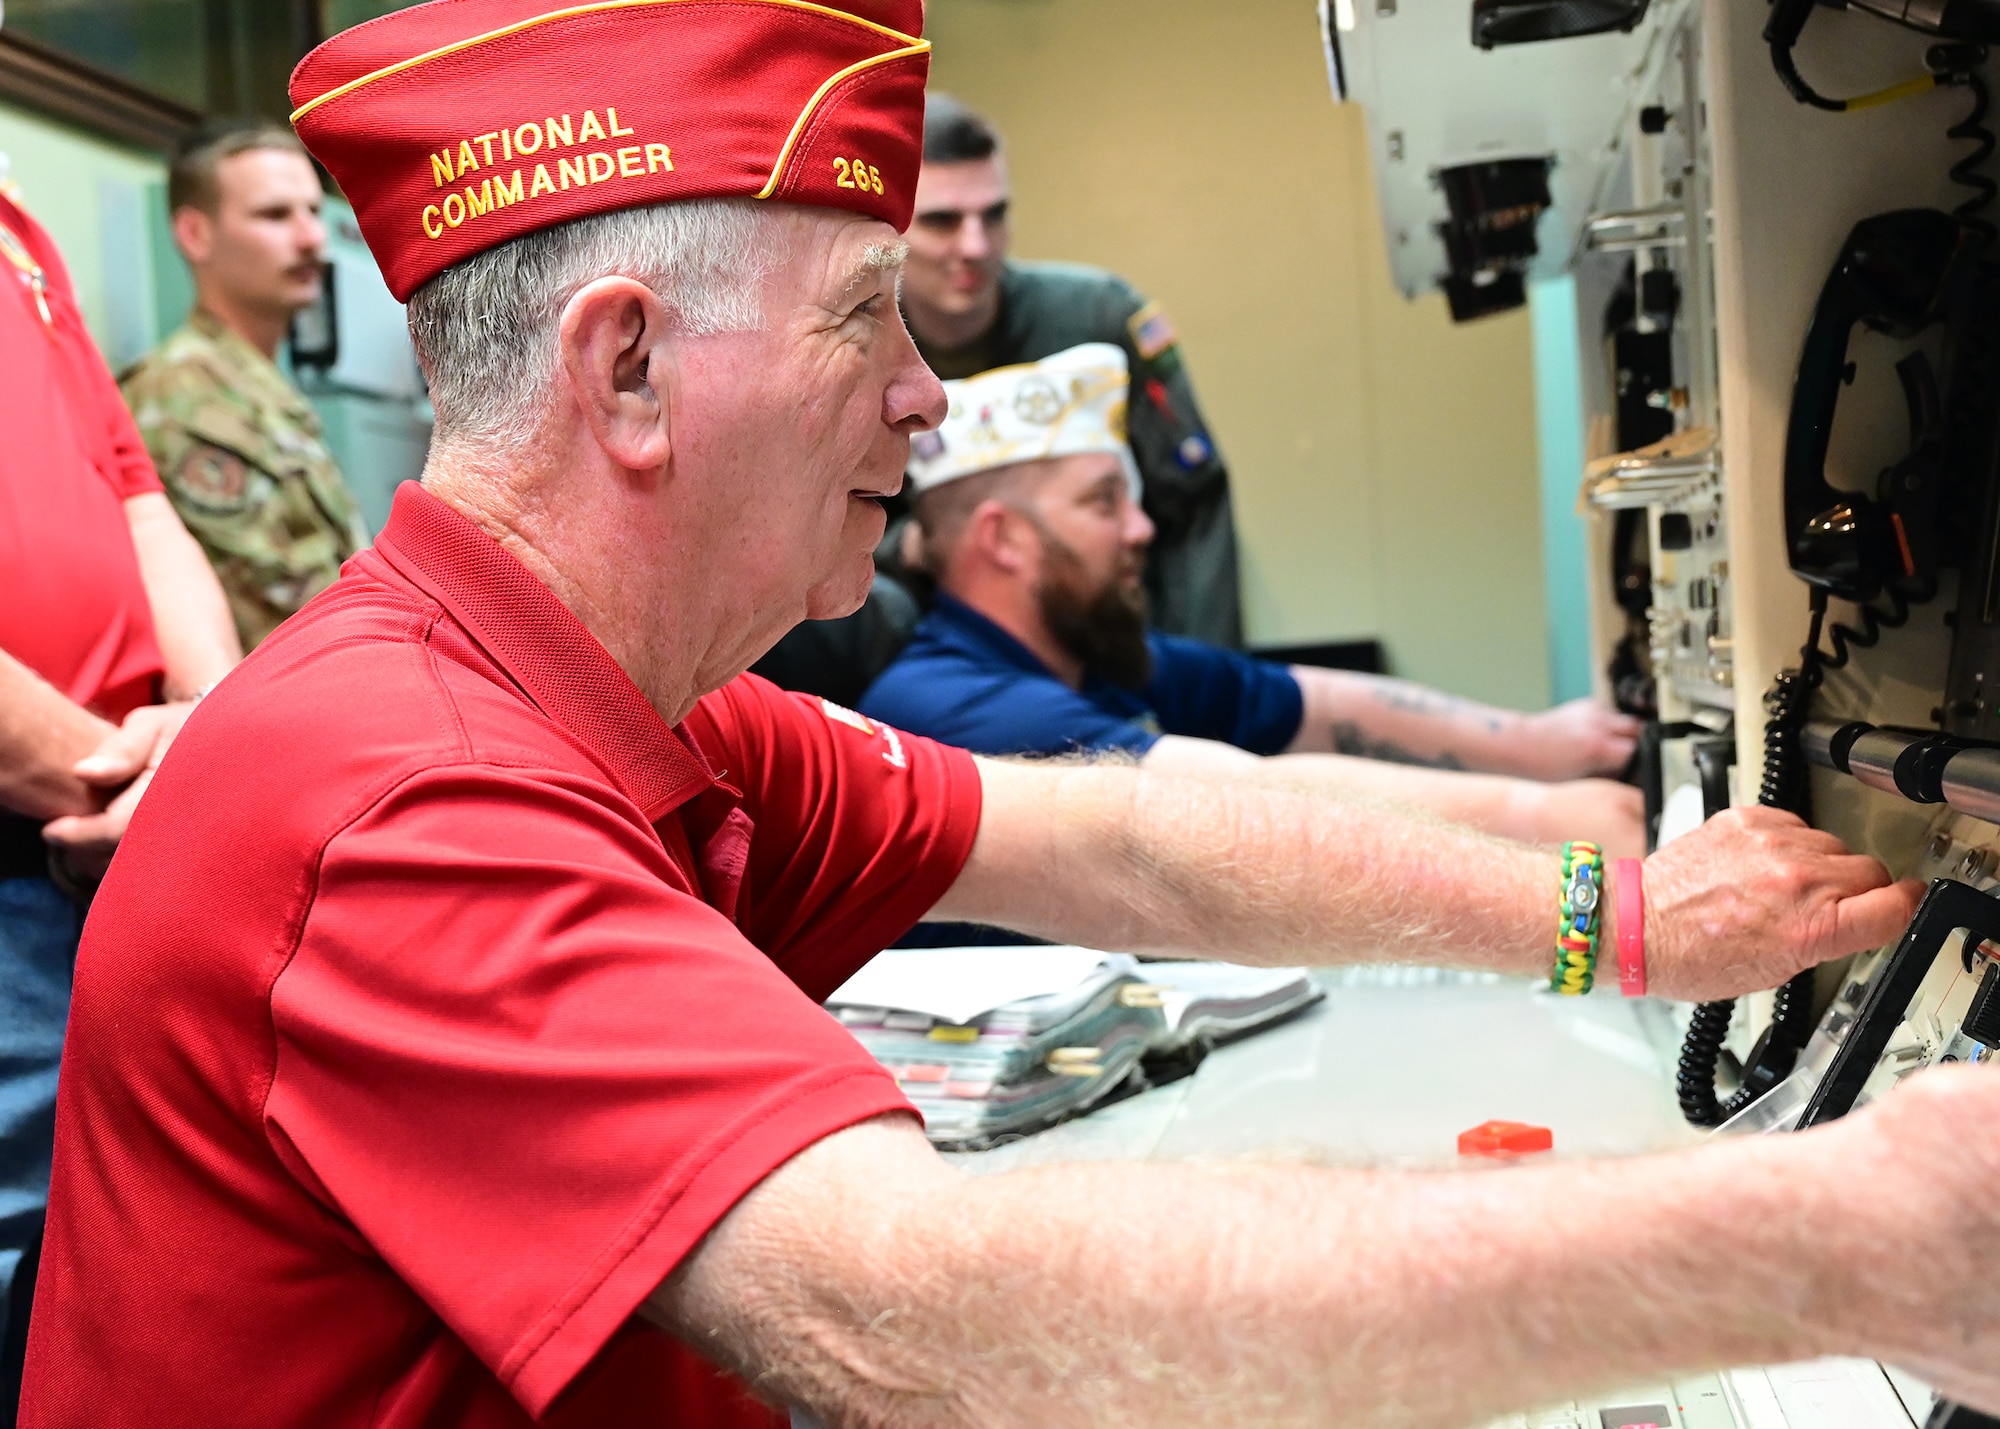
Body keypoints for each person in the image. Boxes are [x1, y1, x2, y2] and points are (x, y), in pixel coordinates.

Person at [22, 5, 2000, 1427]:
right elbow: (915, 1319)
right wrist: (1852, 1234)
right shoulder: (398, 791)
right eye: (859, 317)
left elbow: (1117, 837)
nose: (926, 396)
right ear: (625, 369)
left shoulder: (642, 710)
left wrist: (1625, 921)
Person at [861, 344, 1644, 854]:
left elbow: (1311, 700)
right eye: (1104, 503)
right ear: (1005, 541)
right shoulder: (954, 708)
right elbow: (1237, 800)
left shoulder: (1090, 655)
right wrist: (1540, 821)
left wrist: (1536, 743)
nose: (1141, 528)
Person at [0, 179, 239, 1401]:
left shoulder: (22, 226)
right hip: (40, 840)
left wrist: (217, 733)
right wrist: (123, 779)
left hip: (119, 829)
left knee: (125, 1257)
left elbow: (136, 493)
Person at [898, 93, 1242, 648]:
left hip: (1112, 638)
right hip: (939, 650)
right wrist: (909, 546)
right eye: (942, 221)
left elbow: (1194, 508)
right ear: (890, 227)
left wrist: (1200, 681)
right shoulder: (855, 348)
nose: (976, 245)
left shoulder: (1099, 318)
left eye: (995, 214)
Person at [121, 119, 370, 651]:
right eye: (275, 215)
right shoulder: (184, 395)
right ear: (195, 235)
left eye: (311, 210)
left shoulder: (258, 388)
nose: (312, 238)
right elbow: (282, 618)